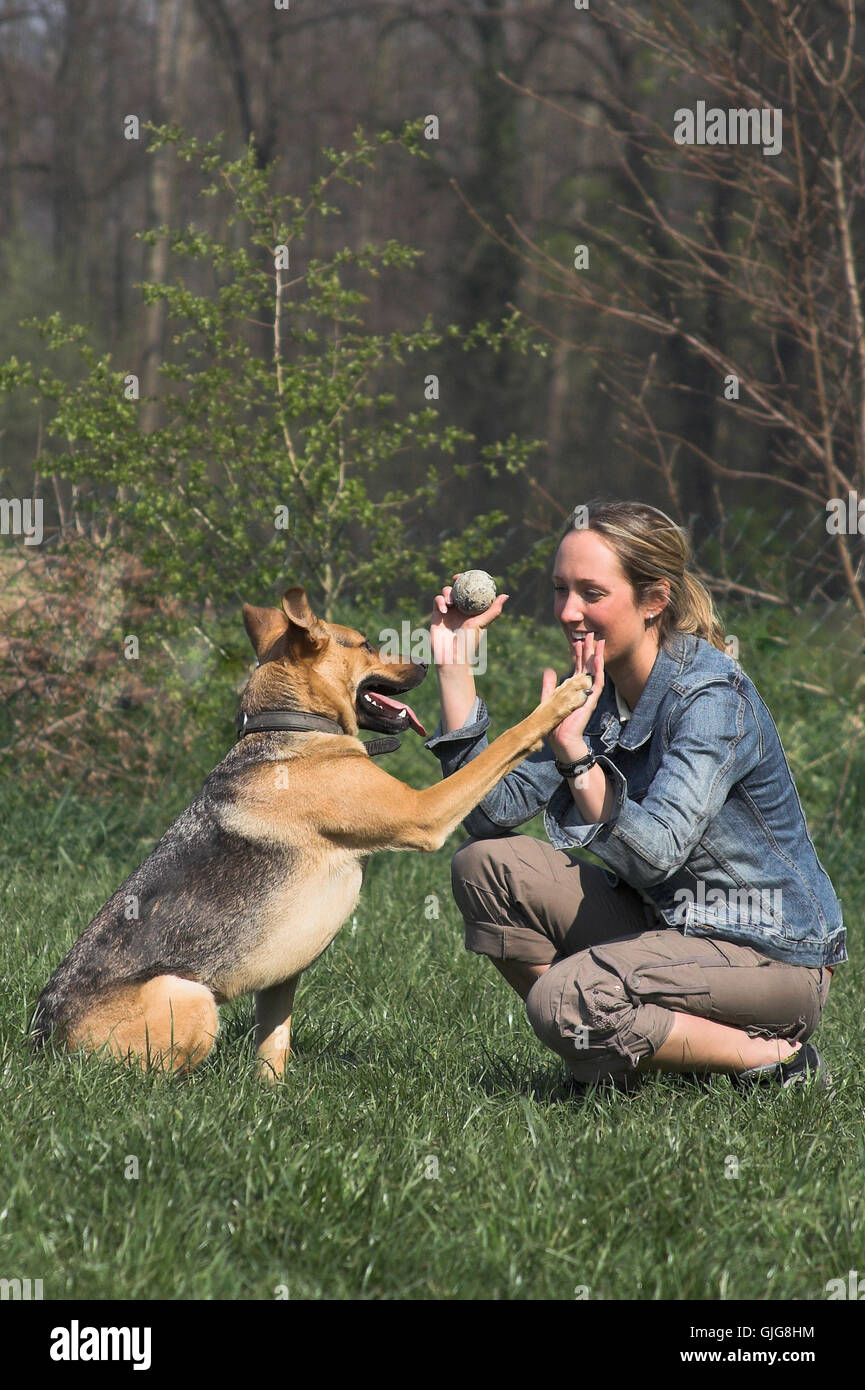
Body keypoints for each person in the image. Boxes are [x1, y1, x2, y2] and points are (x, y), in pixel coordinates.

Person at [424, 499, 844, 1094]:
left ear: (654, 601)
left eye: (592, 594)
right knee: (484, 869)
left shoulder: (709, 697)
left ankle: (773, 1058)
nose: (569, 612)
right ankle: (615, 1056)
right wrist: (455, 668)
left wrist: (577, 758)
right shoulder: (599, 686)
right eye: (560, 590)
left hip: (766, 955)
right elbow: (491, 815)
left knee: (564, 998)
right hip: (667, 928)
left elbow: (656, 852)